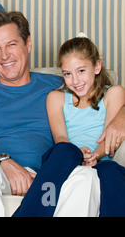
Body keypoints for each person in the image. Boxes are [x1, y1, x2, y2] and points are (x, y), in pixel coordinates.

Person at [0, 11, 111, 217]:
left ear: (28, 44)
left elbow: (108, 98)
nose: (4, 55)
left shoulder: (60, 86)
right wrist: (2, 161)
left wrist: (121, 119)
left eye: (11, 44)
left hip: (48, 183)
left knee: (87, 177)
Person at [14, 37, 125, 216]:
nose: (75, 80)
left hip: (100, 160)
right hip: (67, 162)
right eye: (67, 74)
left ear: (97, 67)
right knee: (64, 150)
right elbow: (61, 138)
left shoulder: (113, 93)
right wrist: (79, 154)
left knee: (112, 171)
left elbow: (110, 137)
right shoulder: (56, 98)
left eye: (81, 71)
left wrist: (94, 155)